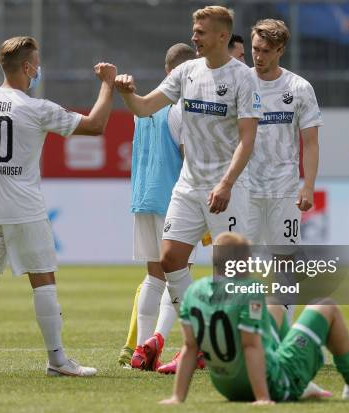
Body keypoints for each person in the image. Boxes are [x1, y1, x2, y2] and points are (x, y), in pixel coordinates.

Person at [0, 36, 116, 378]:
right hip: (25, 209)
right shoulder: (36, 108)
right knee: (43, 280)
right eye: (36, 64)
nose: (38, 69)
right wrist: (107, 85)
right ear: (27, 68)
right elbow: (97, 125)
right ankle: (57, 361)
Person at [114, 5, 261, 375]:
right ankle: (197, 341)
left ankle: (240, 346)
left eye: (201, 31)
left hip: (227, 187)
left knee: (231, 271)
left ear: (223, 36)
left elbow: (247, 139)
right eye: (194, 30)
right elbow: (146, 107)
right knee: (170, 260)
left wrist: (227, 182)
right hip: (188, 186)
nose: (194, 36)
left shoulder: (243, 78)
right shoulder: (186, 72)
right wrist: (128, 94)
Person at [159, 232, 349, 404]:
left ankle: (299, 376)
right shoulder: (249, 290)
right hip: (268, 384)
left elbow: (189, 347)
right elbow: (251, 347)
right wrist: (263, 397)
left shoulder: (194, 290)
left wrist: (177, 397)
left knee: (274, 306)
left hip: (226, 386)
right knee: (326, 307)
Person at [117, 43, 199, 371]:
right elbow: (189, 157)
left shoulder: (144, 109)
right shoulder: (180, 109)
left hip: (143, 199)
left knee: (154, 277)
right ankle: (159, 341)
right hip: (173, 200)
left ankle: (141, 349)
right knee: (180, 272)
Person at [246, 19, 323, 322]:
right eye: (254, 49)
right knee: (237, 264)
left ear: (280, 50)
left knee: (284, 263)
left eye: (266, 50)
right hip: (245, 190)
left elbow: (312, 143)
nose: (258, 56)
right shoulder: (240, 82)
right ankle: (242, 333)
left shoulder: (299, 88)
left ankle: (282, 333)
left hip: (284, 190)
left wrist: (308, 186)